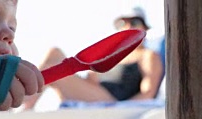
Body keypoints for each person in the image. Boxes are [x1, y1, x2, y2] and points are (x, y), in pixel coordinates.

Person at [22, 6, 165, 110]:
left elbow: (148, 94)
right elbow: (92, 80)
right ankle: (25, 102)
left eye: (133, 22)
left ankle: (22, 103)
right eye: (121, 23)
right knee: (55, 53)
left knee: (53, 69)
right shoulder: (114, 56)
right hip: (95, 94)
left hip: (112, 101)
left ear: (144, 28)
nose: (127, 27)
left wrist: (118, 109)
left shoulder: (148, 55)